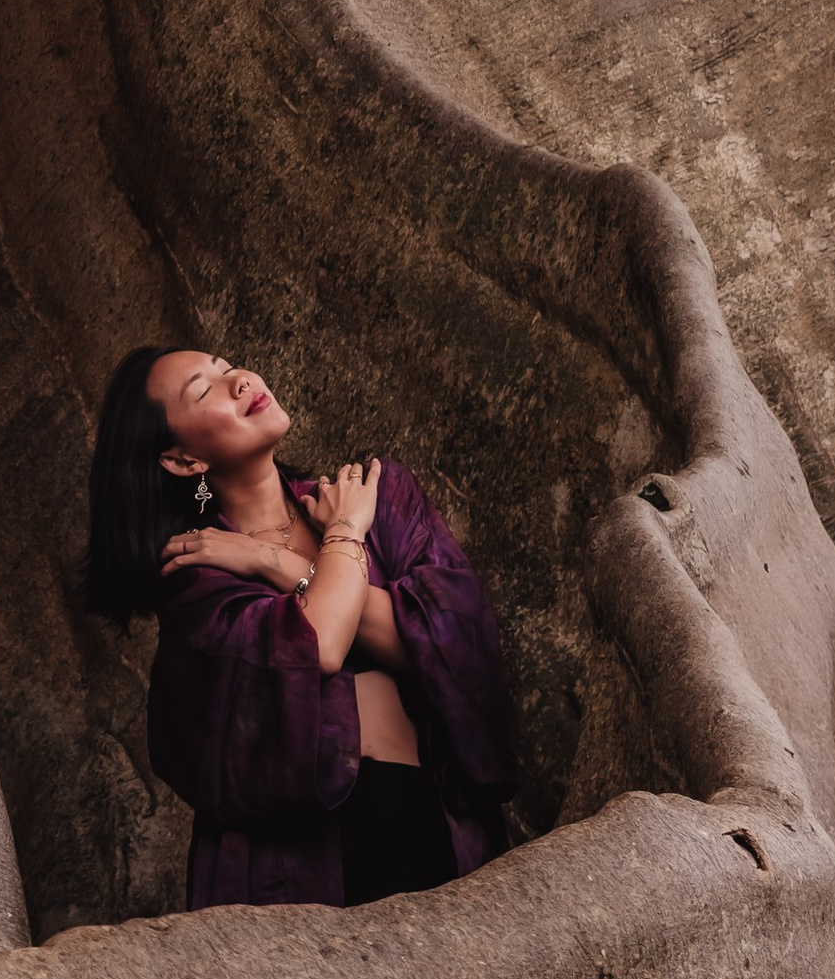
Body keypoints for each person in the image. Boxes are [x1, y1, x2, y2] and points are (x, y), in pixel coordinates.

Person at [86, 345, 517, 910]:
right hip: (306, 872)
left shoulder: (374, 499)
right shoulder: (200, 574)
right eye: (204, 389)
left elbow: (453, 649)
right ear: (182, 460)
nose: (238, 379)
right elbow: (318, 644)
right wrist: (342, 540)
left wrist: (282, 561)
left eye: (225, 366)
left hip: (440, 825)